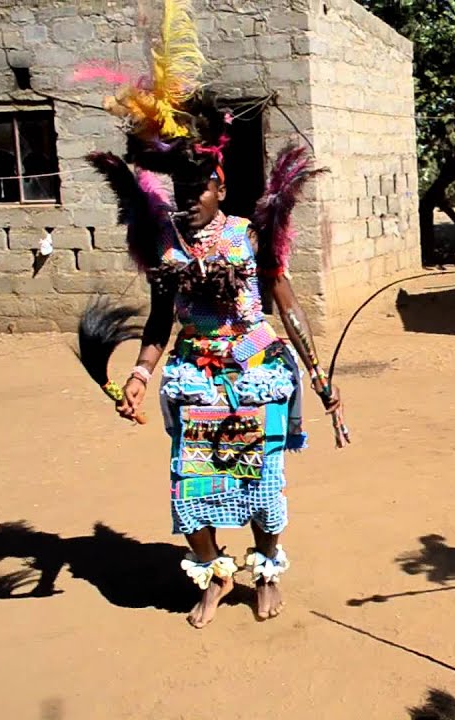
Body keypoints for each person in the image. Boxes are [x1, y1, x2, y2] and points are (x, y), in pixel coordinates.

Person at [78, 1, 339, 629]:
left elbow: (288, 304)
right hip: (194, 382)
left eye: (198, 192)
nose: (188, 202)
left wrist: (321, 375)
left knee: (257, 491)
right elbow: (160, 322)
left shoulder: (252, 236)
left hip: (254, 375)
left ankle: (265, 570)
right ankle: (217, 575)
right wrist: (139, 376)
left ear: (220, 187)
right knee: (194, 497)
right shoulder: (165, 249)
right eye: (180, 193)